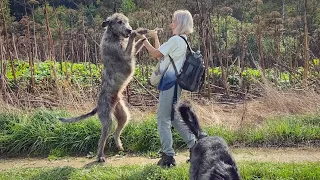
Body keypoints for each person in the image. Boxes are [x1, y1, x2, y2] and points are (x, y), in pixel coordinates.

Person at [136, 10, 196, 167]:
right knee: (174, 118)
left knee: (163, 120)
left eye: (174, 21)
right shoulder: (182, 40)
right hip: (174, 85)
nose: (171, 24)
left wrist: (143, 39)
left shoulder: (176, 40)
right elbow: (162, 55)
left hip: (170, 85)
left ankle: (168, 157)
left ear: (181, 23)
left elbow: (155, 54)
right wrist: (155, 38)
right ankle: (195, 147)